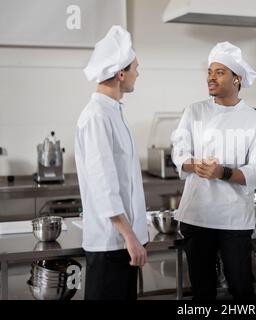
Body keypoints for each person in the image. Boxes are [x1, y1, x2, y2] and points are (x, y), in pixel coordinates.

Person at [171, 41, 256, 300]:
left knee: (240, 287)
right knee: (202, 290)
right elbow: (179, 153)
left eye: (219, 72)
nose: (211, 78)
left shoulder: (255, 121)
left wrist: (222, 173)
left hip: (234, 219)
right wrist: (197, 166)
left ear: (237, 79)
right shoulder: (195, 111)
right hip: (197, 216)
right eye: (209, 71)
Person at [75, 25, 148, 300]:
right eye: (135, 68)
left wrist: (137, 235)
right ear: (120, 73)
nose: (137, 74)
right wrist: (130, 236)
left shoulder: (113, 111)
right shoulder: (96, 117)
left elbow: (124, 180)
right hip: (110, 244)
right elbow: (104, 184)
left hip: (122, 243)